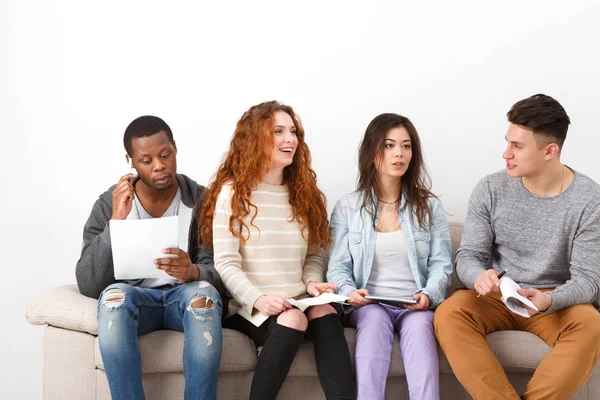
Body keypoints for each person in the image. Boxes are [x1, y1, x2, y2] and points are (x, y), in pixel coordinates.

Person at [434, 94, 600, 400]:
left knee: (591, 324)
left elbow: (588, 282)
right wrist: (478, 276)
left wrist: (551, 300)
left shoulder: (589, 200)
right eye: (508, 142)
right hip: (498, 296)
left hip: (553, 302)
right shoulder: (490, 188)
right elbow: (469, 255)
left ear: (550, 150)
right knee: (449, 313)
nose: (505, 154)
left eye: (517, 146)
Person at [199, 101, 355, 400]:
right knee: (293, 319)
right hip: (251, 305)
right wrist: (259, 299)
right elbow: (226, 263)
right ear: (256, 138)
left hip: (298, 298)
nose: (290, 140)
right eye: (279, 132)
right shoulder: (232, 193)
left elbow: (314, 255)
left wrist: (311, 283)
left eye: (293, 132)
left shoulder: (304, 193)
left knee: (324, 309)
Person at [75, 115, 224, 400]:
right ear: (130, 161)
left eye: (165, 155)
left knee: (203, 296)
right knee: (113, 297)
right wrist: (115, 223)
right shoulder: (110, 203)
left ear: (175, 148)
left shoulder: (202, 201)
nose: (159, 166)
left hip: (184, 299)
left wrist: (193, 271)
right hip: (136, 302)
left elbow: (223, 270)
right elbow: (88, 283)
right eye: (146, 160)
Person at [327, 113, 452, 400]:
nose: (399, 153)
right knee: (372, 323)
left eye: (406, 146)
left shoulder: (429, 206)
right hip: (370, 304)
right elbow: (338, 267)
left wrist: (429, 295)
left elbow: (441, 263)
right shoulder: (348, 207)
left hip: (415, 304)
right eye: (389, 145)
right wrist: (349, 293)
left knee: (421, 331)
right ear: (372, 151)